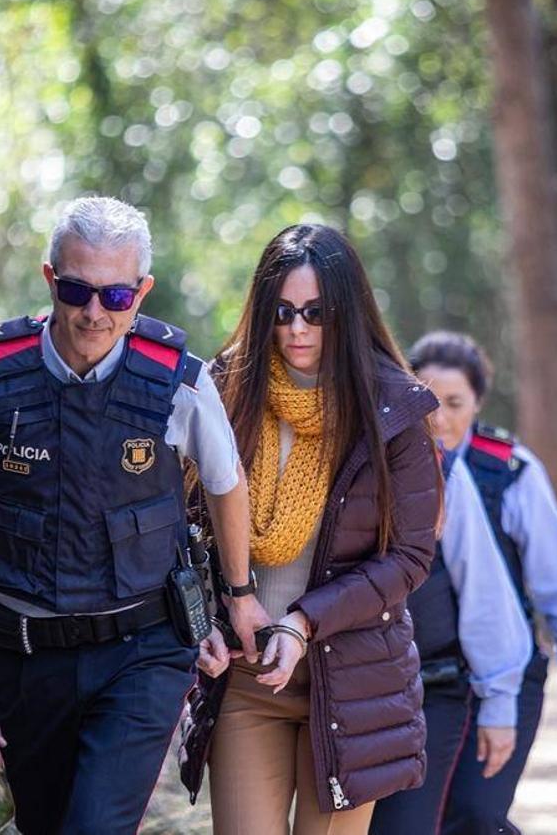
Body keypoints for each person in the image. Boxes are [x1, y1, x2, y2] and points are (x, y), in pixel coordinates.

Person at [0, 196, 269, 835]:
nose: (94, 312)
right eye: (77, 290)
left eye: (116, 297)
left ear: (141, 292)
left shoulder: (181, 382)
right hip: (20, 657)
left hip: (143, 652)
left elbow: (229, 487)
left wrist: (238, 595)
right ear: (50, 280)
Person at [195, 224, 443, 835]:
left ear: (348, 312)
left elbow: (410, 557)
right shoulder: (223, 389)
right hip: (249, 673)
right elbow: (186, 525)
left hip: (352, 679)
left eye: (316, 312)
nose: (298, 329)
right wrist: (204, 619)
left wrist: (304, 621)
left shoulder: (394, 409)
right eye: (282, 312)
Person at [408, 330, 557, 835]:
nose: (441, 417)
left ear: (477, 402)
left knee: (475, 816)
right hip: (421, 677)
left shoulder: (510, 472)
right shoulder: (396, 466)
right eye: (429, 401)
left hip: (506, 676)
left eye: (455, 402)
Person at [369, 451, 531, 834]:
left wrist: (500, 704)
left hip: (428, 690)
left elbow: (484, 595)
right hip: (327, 688)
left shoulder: (442, 469)